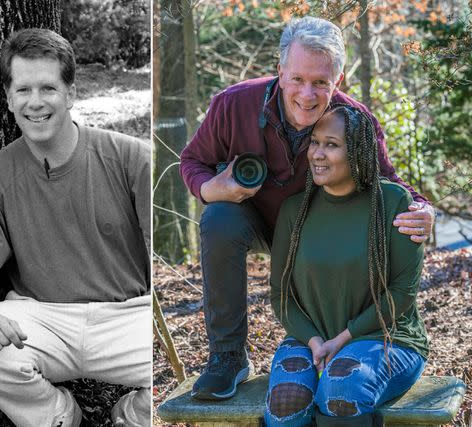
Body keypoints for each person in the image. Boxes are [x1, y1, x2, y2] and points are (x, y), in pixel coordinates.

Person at [180, 16, 435, 401]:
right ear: (280, 71)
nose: (307, 94)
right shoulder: (233, 104)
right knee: (218, 217)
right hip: (251, 219)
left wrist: (422, 207)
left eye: (320, 82)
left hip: (313, 235)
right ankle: (228, 356)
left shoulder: (355, 121)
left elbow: (389, 183)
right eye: (298, 78)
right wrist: (210, 187)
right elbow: (192, 161)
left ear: (340, 80)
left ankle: (342, 340)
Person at [0, 28, 151, 427]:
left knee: (185, 366)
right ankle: (60, 416)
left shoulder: (132, 159)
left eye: (48, 88)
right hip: (40, 318)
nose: (36, 102)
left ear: (71, 94)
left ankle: (130, 417)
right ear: (9, 99)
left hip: (128, 315)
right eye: (23, 90)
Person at [266, 104, 428, 426]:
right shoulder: (294, 211)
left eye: (332, 144)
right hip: (310, 338)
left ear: (356, 151)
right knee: (287, 401)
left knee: (342, 387)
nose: (317, 154)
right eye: (314, 142)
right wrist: (314, 341)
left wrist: (341, 340)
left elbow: (402, 293)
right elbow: (280, 294)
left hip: (386, 338)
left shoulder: (395, 203)